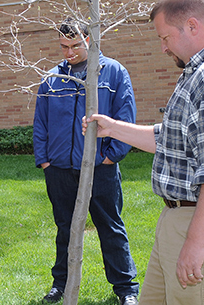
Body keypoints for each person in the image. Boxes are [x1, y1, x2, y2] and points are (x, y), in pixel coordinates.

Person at [84, 1, 204, 304]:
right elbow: (174, 141)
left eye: (165, 38)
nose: (163, 48)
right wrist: (113, 128)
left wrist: (195, 242)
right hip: (186, 219)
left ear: (192, 25)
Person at [32, 18, 139, 305]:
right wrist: (44, 161)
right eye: (63, 46)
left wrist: (109, 157)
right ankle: (61, 285)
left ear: (89, 41)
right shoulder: (52, 79)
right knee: (65, 228)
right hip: (59, 170)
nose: (69, 52)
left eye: (75, 45)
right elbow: (40, 123)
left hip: (100, 169)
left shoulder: (114, 73)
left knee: (111, 227)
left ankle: (126, 289)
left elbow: (125, 120)